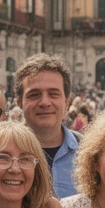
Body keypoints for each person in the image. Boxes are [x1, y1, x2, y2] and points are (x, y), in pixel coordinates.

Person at [17, 54, 80, 198]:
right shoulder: (0, 154)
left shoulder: (89, 152)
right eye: (34, 95)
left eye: (53, 94)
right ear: (19, 102)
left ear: (66, 101)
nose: (45, 102)